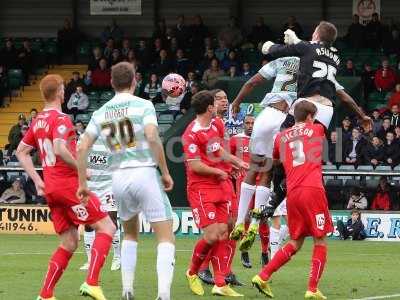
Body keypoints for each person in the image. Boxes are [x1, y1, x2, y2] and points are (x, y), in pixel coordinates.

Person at [76, 62, 175, 300]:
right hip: (144, 172)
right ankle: (163, 294)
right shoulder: (144, 105)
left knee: (130, 234)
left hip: (118, 178)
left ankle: (127, 290)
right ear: (135, 81)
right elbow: (152, 135)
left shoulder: (101, 112)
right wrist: (165, 171)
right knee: (165, 235)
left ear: (111, 83)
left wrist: (82, 183)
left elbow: (81, 147)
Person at [16, 74, 116, 300]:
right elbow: (60, 148)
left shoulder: (38, 120)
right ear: (60, 92)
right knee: (107, 227)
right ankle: (92, 283)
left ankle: (46, 294)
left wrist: (38, 181)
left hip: (51, 188)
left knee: (70, 241)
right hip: (68, 186)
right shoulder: (61, 119)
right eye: (63, 88)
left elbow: (21, 151)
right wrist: (82, 167)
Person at [251, 100, 332, 300]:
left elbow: (277, 160)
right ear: (311, 117)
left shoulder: (280, 136)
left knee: (296, 241)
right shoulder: (317, 129)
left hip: (292, 192)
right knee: (320, 240)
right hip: (312, 189)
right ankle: (312, 289)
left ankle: (263, 276)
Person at [230, 56, 300, 252]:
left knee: (254, 167)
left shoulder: (283, 61)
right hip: (287, 120)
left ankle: (239, 223)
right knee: (268, 172)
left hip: (270, 112)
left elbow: (253, 81)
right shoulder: (311, 62)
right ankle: (254, 223)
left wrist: (237, 102)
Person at [182, 90, 247, 297]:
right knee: (211, 235)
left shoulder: (214, 125)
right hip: (201, 188)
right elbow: (195, 166)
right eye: (216, 102)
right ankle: (192, 272)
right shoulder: (190, 133)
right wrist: (218, 171)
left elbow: (218, 150)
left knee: (224, 232)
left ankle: (220, 282)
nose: (221, 105)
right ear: (210, 107)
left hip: (220, 185)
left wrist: (236, 161)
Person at [262, 21, 371, 131]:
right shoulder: (335, 59)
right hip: (327, 110)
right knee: (312, 144)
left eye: (314, 32)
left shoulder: (307, 48)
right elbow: (344, 97)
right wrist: (362, 115)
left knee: (285, 134)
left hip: (307, 104)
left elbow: (277, 50)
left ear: (317, 35)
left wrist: (269, 46)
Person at [79, 138, 121, 273]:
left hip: (109, 186)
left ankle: (117, 257)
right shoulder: (84, 138)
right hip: (90, 187)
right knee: (88, 223)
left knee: (112, 221)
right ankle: (90, 260)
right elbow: (78, 156)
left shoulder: (112, 139)